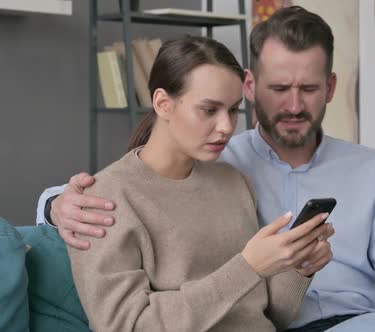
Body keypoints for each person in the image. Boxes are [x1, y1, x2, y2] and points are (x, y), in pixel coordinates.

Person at [38, 6, 375, 332]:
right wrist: (56, 204)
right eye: (278, 89)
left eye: (308, 90)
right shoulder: (221, 159)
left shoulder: (364, 171)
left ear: (329, 89)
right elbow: (125, 190)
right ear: (251, 84)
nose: (292, 105)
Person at [62, 35, 335, 332]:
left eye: (233, 110)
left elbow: (267, 316)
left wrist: (298, 268)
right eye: (209, 110)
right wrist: (247, 267)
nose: (227, 127)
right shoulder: (103, 200)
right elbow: (126, 325)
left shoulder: (233, 182)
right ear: (163, 103)